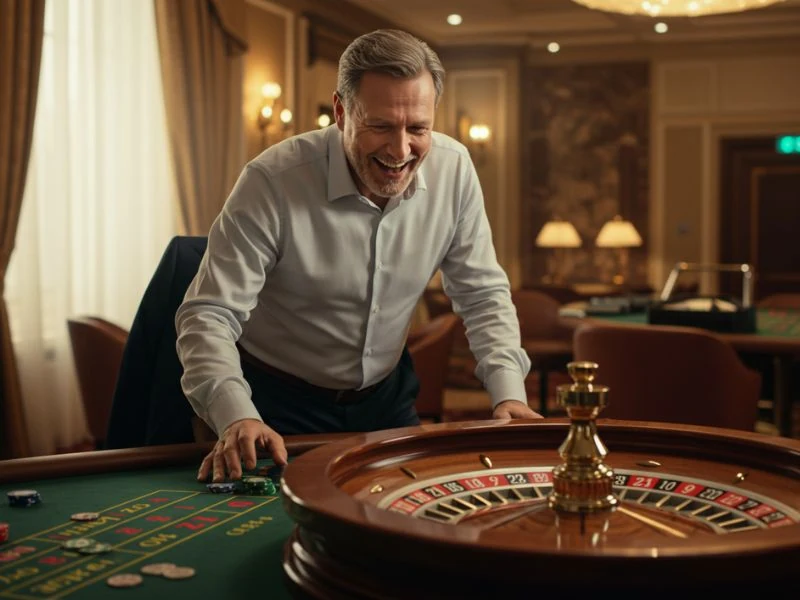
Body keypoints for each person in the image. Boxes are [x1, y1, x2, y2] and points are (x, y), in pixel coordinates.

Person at [175, 28, 540, 484]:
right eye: (381, 126)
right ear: (341, 111)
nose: (401, 150)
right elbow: (209, 314)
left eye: (418, 128)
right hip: (274, 402)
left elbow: (482, 294)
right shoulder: (272, 180)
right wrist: (236, 415)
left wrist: (508, 394)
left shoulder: (455, 168)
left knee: (407, 511)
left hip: (386, 397)